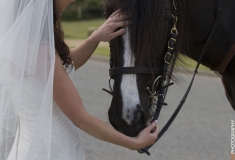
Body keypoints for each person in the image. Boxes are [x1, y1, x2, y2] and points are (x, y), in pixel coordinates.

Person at [0, 0, 160, 159]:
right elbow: (80, 118)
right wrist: (134, 143)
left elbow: (61, 70)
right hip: (50, 153)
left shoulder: (32, 36)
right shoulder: (39, 48)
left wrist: (94, 38)